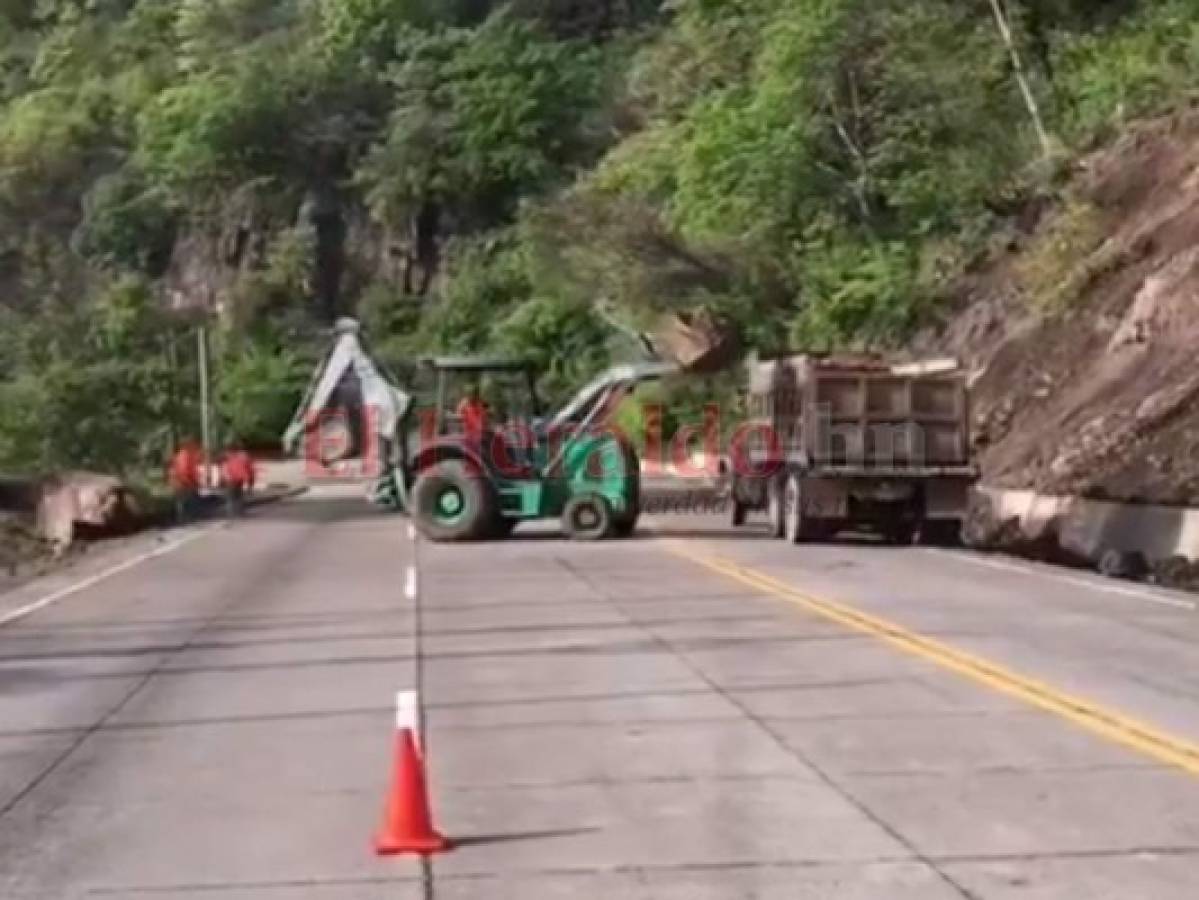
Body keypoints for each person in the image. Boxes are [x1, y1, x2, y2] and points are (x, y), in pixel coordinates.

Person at [168, 439, 204, 524]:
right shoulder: (184, 456)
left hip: (181, 481)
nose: (194, 447)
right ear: (187, 445)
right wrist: (189, 481)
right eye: (193, 445)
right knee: (186, 500)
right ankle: (185, 519)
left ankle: (184, 518)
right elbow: (184, 470)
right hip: (183, 482)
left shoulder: (183, 455)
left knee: (183, 501)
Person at [220, 442, 256, 518]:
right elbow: (250, 469)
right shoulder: (244, 456)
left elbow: (224, 469)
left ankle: (232, 513)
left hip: (230, 479)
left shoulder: (226, 456)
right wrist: (250, 482)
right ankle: (238, 512)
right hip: (239, 479)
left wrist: (221, 479)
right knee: (238, 495)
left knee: (231, 497)